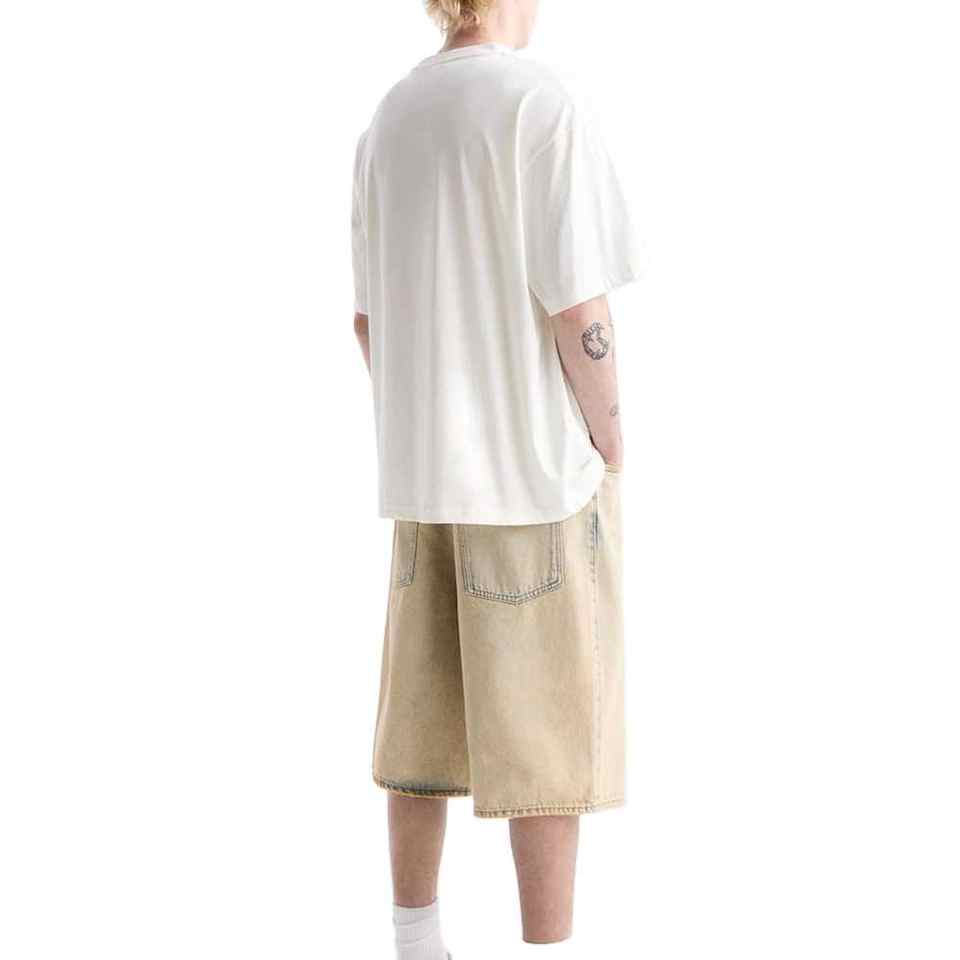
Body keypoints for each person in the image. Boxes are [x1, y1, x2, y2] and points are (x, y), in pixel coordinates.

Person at [351, 1, 639, 955]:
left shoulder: (391, 117)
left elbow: (366, 322)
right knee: (549, 741)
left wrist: (425, 426)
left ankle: (415, 942)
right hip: (534, 477)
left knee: (419, 736)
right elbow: (579, 308)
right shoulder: (537, 104)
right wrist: (611, 439)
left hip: (423, 481)